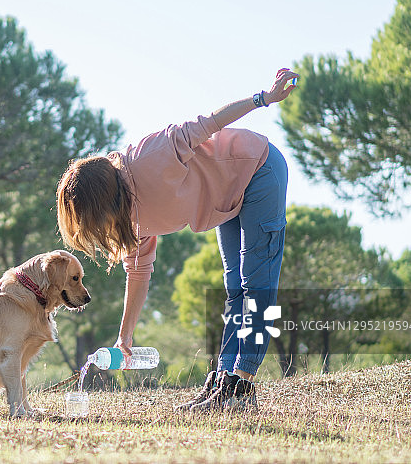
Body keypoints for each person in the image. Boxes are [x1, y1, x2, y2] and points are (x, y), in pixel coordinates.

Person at [56, 68, 298, 412]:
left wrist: (264, 98)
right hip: (225, 199)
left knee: (256, 284)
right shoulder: (129, 219)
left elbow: (210, 123)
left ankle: (242, 386)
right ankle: (224, 381)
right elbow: (138, 273)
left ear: (102, 200)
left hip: (258, 169)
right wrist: (125, 337)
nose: (96, 228)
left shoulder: (150, 157)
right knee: (235, 289)